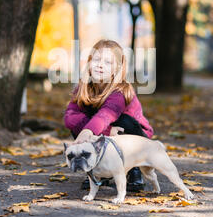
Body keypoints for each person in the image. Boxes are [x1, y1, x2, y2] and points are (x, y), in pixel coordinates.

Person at [63, 39, 154, 191]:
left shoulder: (121, 90)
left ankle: (134, 169)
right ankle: (98, 170)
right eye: (97, 59)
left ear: (117, 68)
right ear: (90, 62)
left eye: (108, 62)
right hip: (108, 131)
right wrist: (105, 132)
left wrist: (87, 132)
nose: (100, 65)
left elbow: (106, 115)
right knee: (79, 122)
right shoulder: (83, 87)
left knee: (124, 121)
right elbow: (70, 116)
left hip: (135, 136)